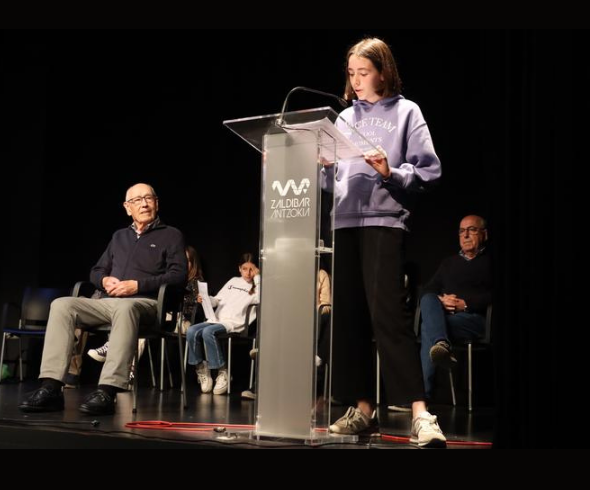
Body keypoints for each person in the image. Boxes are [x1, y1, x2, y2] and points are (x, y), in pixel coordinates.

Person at [322, 38, 446, 447]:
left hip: (384, 221)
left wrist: (392, 171)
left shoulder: (407, 112)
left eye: (364, 72)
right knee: (349, 320)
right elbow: (334, 181)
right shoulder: (343, 119)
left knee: (389, 317)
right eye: (351, 73)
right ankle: (363, 410)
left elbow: (429, 171)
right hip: (344, 222)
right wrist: (316, 168)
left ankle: (420, 413)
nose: (357, 81)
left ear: (383, 72)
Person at [18, 183, 187, 415]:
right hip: (107, 302)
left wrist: (137, 285)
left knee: (126, 308)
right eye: (137, 200)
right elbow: (97, 271)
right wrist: (105, 280)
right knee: (62, 305)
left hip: (146, 304)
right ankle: (51, 388)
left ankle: (107, 391)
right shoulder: (119, 237)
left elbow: (178, 275)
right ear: (127, 208)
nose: (144, 204)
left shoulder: (172, 235)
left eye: (148, 198)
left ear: (156, 203)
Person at [79, 245, 204, 375]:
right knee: (137, 320)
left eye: (185, 261)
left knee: (138, 318)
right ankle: (126, 368)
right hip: (164, 316)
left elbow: (194, 311)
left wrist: (198, 301)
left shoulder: (195, 283)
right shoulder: (167, 280)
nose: (181, 264)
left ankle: (119, 356)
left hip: (182, 322)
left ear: (193, 264)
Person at [419, 215, 492, 401]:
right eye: (461, 231)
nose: (465, 235)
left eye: (472, 230)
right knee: (428, 298)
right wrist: (441, 300)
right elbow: (428, 289)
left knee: (428, 327)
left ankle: (421, 397)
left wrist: (465, 304)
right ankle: (442, 343)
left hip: (475, 319)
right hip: (447, 318)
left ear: (484, 235)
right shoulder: (449, 263)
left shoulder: (490, 262)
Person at [187, 253, 259, 395]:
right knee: (191, 330)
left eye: (252, 269)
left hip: (234, 323)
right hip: (216, 319)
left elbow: (260, 299)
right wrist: (206, 299)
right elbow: (217, 300)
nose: (248, 273)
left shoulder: (258, 286)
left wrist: (258, 277)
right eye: (245, 269)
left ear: (257, 270)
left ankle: (222, 371)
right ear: (239, 269)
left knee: (208, 332)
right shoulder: (233, 281)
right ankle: (202, 369)